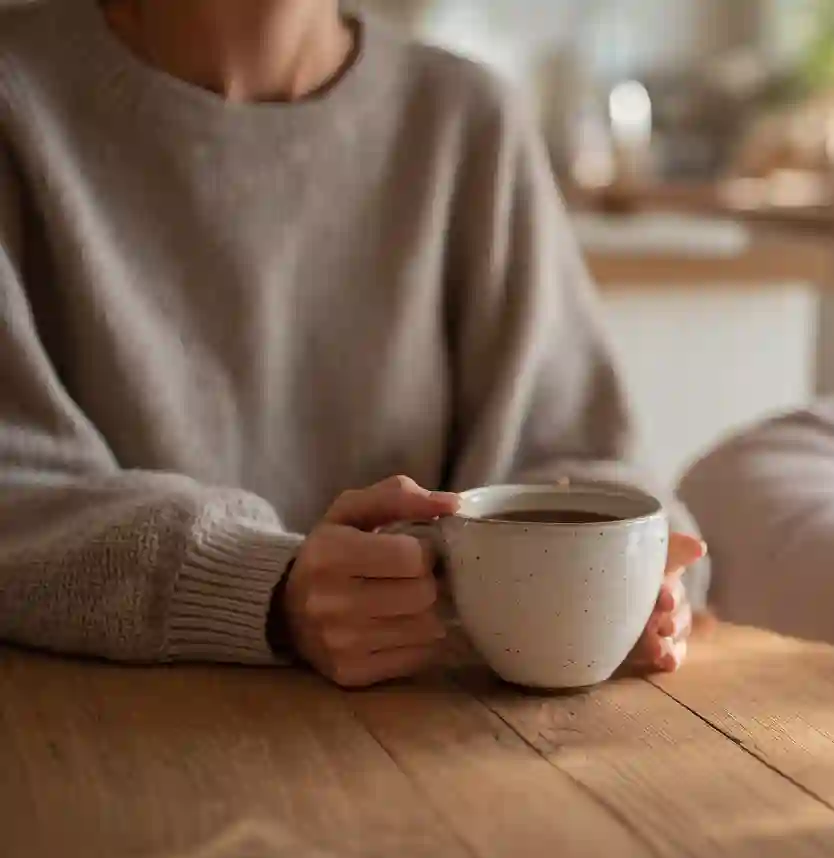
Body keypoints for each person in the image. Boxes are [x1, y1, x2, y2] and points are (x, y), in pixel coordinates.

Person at [0, 0, 708, 687]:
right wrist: (262, 584)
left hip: (436, 747)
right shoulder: (17, 94)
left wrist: (635, 582)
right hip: (86, 744)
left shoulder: (467, 120)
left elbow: (587, 466)